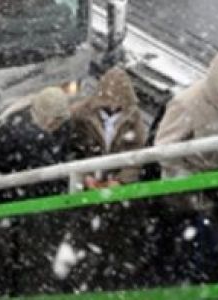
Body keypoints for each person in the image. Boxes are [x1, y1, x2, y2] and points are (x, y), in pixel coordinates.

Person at [153, 48, 218, 283]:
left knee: (215, 246)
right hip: (188, 191)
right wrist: (188, 182)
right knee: (202, 245)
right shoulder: (186, 104)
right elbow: (164, 149)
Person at [0, 87, 73, 296]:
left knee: (34, 264)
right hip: (12, 208)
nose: (55, 126)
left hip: (41, 208)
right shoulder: (10, 130)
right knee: (10, 265)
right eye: (53, 121)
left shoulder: (61, 125)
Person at [66, 67, 148, 290]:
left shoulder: (134, 119)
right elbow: (72, 151)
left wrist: (120, 181)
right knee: (82, 234)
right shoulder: (81, 115)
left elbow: (136, 157)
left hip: (115, 191)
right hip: (88, 190)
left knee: (113, 238)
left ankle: (105, 278)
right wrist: (86, 178)